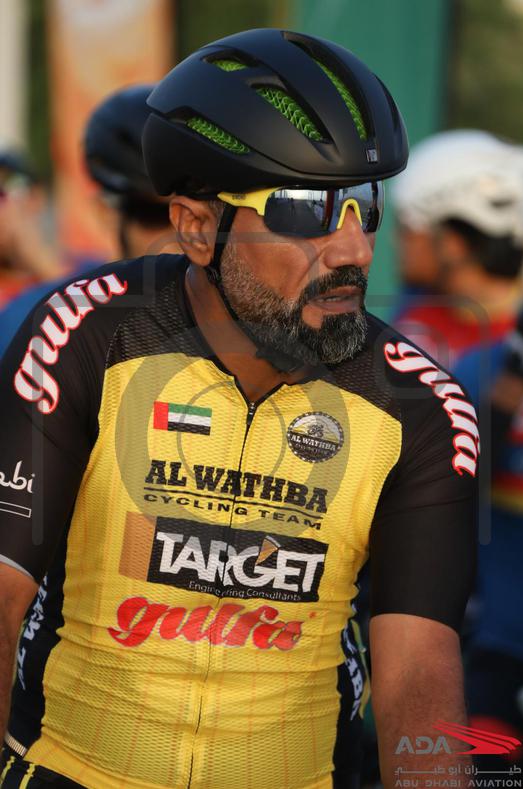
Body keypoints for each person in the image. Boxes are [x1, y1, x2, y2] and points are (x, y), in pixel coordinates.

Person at [0, 29, 477, 789]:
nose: (353, 249)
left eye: (363, 205)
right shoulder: (85, 335)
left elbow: (418, 672)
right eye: (304, 208)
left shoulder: (420, 404)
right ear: (197, 227)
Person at [0, 84, 179, 359]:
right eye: (156, 215)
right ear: (107, 212)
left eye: (204, 214)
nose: (185, 233)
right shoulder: (23, 319)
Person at [452, 308, 523, 774]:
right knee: (491, 770)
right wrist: (506, 395)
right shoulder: (481, 366)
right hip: (498, 633)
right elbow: (459, 485)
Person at [391, 130, 523, 368]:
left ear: (453, 243)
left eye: (407, 228)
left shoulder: (514, 345)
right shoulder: (416, 304)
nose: (397, 241)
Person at [0, 145, 66, 309]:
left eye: (6, 192)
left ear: (37, 197)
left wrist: (42, 264)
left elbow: (92, 316)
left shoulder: (89, 267)